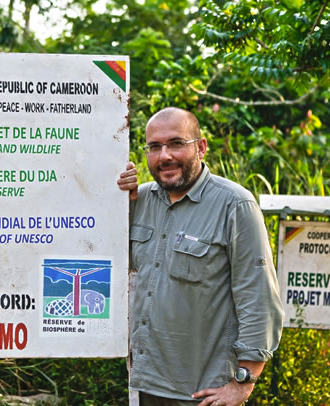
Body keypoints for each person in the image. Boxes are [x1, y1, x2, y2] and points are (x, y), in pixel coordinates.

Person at [117, 107, 284, 406]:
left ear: (201, 147)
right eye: (154, 147)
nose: (164, 156)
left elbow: (258, 298)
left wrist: (244, 382)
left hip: (203, 394)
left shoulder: (235, 205)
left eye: (176, 143)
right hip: (143, 386)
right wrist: (117, 200)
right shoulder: (138, 201)